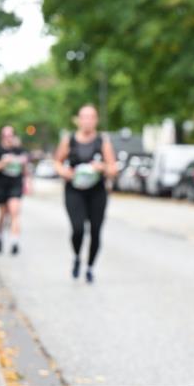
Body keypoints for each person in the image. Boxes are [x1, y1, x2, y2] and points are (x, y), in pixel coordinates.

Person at [54, 105, 119, 283]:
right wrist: (64, 172)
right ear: (79, 120)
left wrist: (103, 167)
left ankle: (90, 267)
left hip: (96, 192)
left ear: (96, 120)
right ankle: (76, 256)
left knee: (96, 231)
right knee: (78, 229)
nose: (88, 121)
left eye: (91, 117)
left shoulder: (102, 141)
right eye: (84, 117)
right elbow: (57, 162)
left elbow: (113, 168)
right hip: (74, 190)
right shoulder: (69, 140)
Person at [0, 125, 28, 255]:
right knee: (3, 213)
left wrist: (25, 172)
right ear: (2, 137)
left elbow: (25, 169)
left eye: (11, 135)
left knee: (15, 211)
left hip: (15, 184)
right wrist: (3, 163)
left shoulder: (19, 150)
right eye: (6, 135)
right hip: (1, 186)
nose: (8, 138)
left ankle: (14, 242)